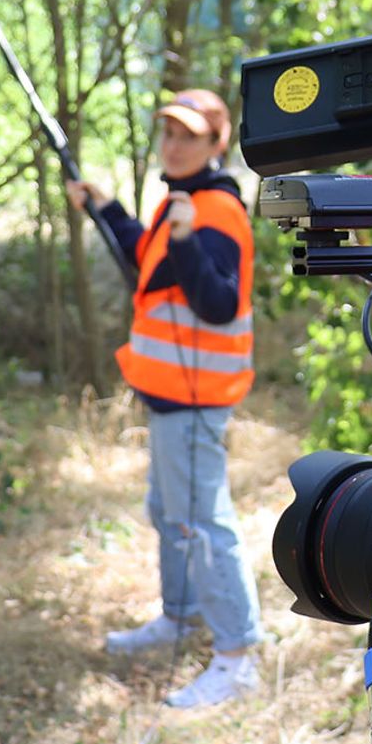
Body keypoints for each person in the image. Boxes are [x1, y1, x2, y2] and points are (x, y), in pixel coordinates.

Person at [67, 88, 266, 710]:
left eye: (189, 136)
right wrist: (106, 208)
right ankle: (181, 617)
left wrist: (182, 238)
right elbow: (145, 260)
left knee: (202, 522)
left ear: (217, 144)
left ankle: (237, 658)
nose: (174, 145)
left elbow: (218, 301)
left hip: (196, 393)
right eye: (169, 133)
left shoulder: (217, 211)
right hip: (170, 393)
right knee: (168, 510)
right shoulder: (181, 204)